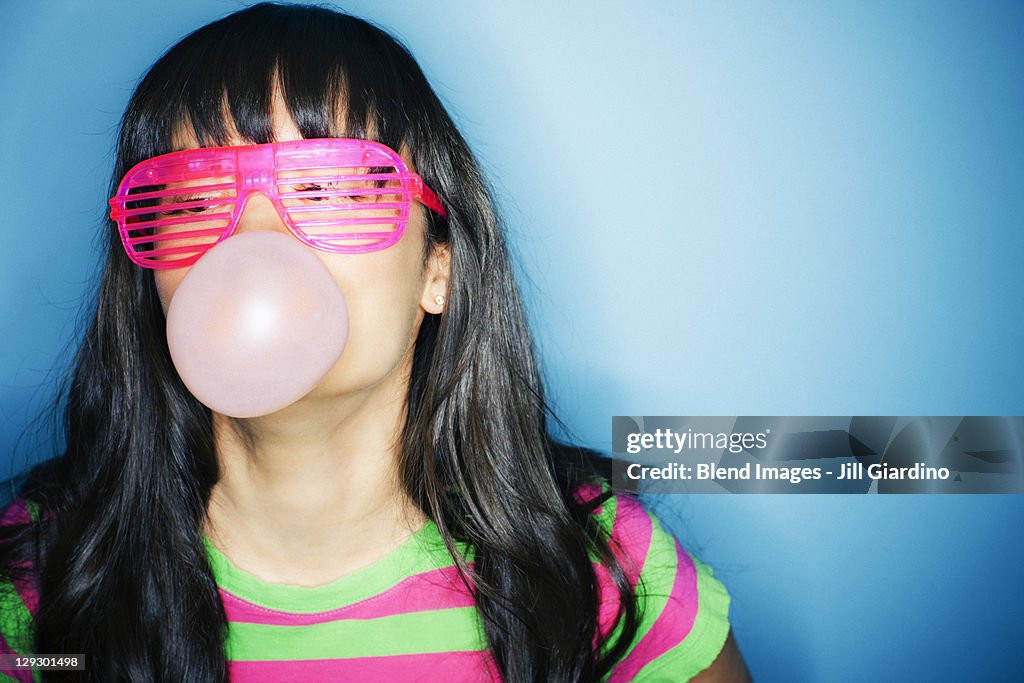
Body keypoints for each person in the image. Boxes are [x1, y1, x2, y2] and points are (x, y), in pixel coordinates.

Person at [0, 3, 749, 681]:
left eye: (330, 188)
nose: (253, 239)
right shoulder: (45, 590)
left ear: (439, 270)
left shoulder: (599, 569)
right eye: (193, 198)